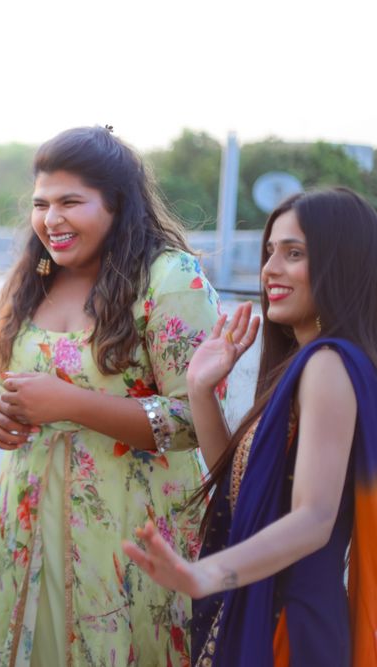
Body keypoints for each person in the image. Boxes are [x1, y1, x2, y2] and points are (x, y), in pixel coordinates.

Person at [0, 126, 222, 666]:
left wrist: (70, 404)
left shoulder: (169, 279)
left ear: (116, 204)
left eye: (71, 202)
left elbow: (194, 420)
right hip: (27, 524)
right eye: (41, 203)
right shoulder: (32, 277)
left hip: (130, 533)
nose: (50, 219)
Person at [124, 188, 377, 667]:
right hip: (269, 606)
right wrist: (200, 389)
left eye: (294, 253)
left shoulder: (328, 364)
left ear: (340, 264)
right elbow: (241, 488)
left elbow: (315, 519)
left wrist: (208, 574)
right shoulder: (308, 364)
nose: (270, 270)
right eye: (269, 252)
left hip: (291, 626)